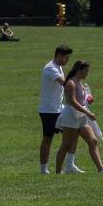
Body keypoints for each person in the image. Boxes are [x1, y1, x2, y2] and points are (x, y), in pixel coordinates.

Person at [53, 61, 103, 174]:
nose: (87, 73)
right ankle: (58, 172)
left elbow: (81, 99)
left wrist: (88, 99)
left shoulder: (80, 82)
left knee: (93, 141)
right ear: (79, 70)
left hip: (80, 116)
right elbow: (72, 101)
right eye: (86, 71)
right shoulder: (70, 83)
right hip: (71, 116)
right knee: (67, 144)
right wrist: (88, 113)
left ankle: (101, 169)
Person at [38, 45, 72, 174]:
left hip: (59, 108)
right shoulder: (50, 68)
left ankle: (70, 165)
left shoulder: (59, 66)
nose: (67, 60)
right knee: (48, 139)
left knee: (72, 133)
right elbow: (65, 83)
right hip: (48, 110)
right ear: (59, 56)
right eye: (66, 57)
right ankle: (43, 169)